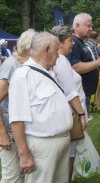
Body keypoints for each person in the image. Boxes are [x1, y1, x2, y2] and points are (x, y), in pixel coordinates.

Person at [9, 32, 73, 183]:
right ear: (47, 49)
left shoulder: (46, 73)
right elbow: (16, 120)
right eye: (57, 50)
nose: (58, 55)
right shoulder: (23, 76)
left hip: (60, 143)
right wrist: (24, 154)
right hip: (43, 148)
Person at [51, 26, 87, 182]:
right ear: (59, 43)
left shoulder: (57, 60)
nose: (72, 44)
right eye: (70, 41)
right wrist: (81, 114)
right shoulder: (62, 61)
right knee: (69, 155)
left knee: (68, 154)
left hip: (67, 114)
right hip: (71, 114)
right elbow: (71, 92)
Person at [0, 29, 36, 183]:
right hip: (9, 132)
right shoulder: (11, 65)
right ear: (30, 48)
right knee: (12, 177)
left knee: (23, 175)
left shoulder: (26, 65)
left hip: (22, 131)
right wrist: (2, 133)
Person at [69, 13, 100, 116]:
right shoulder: (74, 43)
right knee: (81, 123)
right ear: (77, 26)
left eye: (91, 26)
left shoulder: (81, 42)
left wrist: (98, 64)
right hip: (80, 93)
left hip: (85, 93)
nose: (91, 28)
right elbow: (76, 67)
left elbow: (86, 63)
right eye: (88, 25)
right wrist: (98, 62)